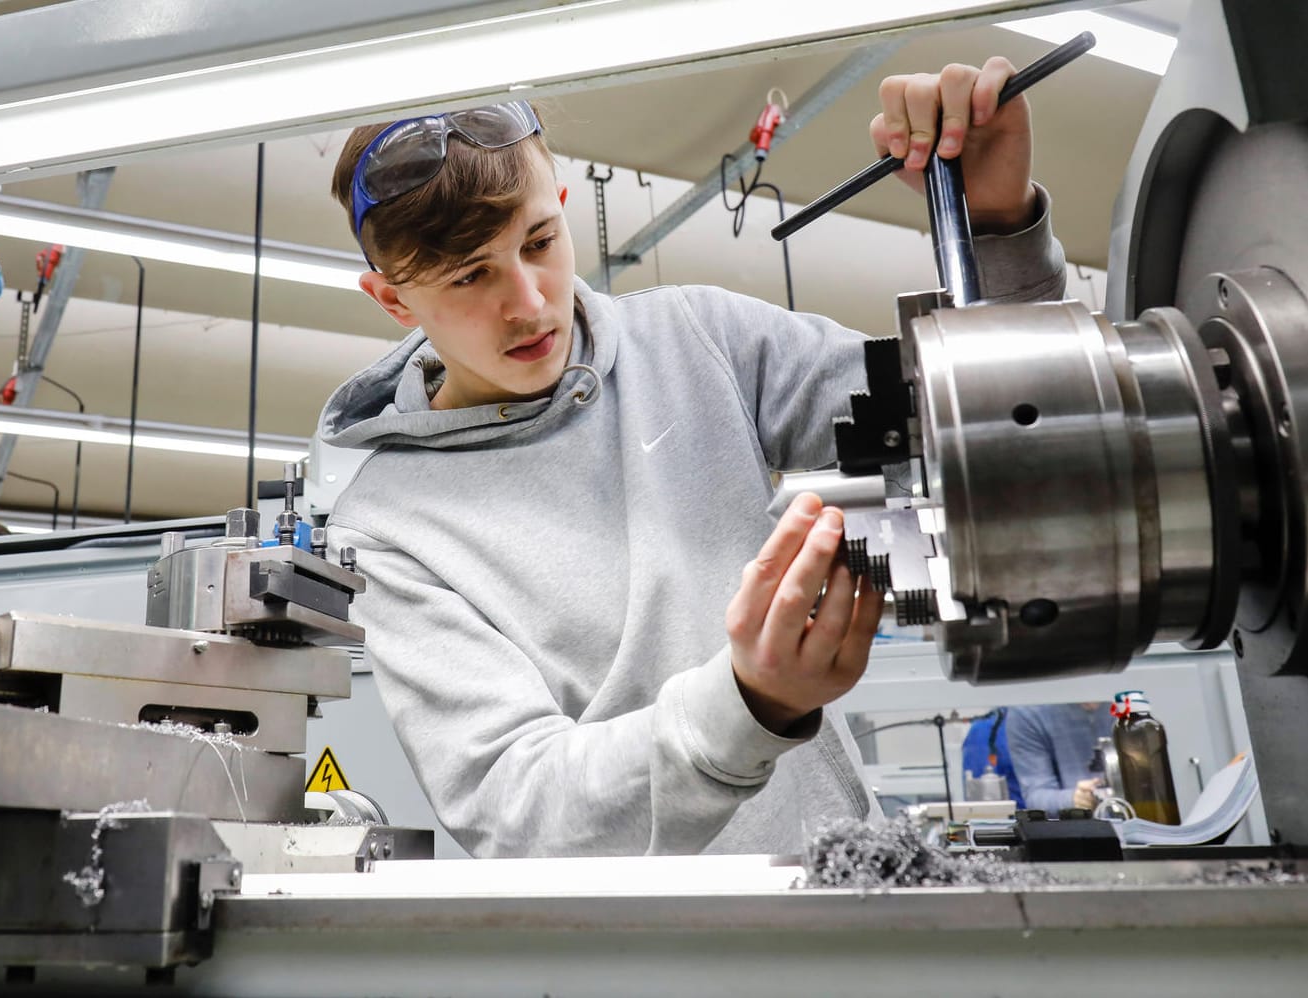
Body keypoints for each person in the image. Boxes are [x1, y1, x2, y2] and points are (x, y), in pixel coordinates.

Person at [318, 58, 1067, 857]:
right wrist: (747, 704)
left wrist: (994, 231)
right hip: (644, 951)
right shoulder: (388, 527)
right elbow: (518, 811)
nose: (530, 302)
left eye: (539, 242)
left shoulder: (699, 341)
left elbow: (1000, 429)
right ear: (393, 300)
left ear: (562, 209)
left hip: (839, 896)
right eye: (470, 276)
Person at [1005, 702, 1114, 816]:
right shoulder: (1028, 711)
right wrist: (1074, 799)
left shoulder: (1127, 699)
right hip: (1075, 826)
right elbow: (1036, 796)